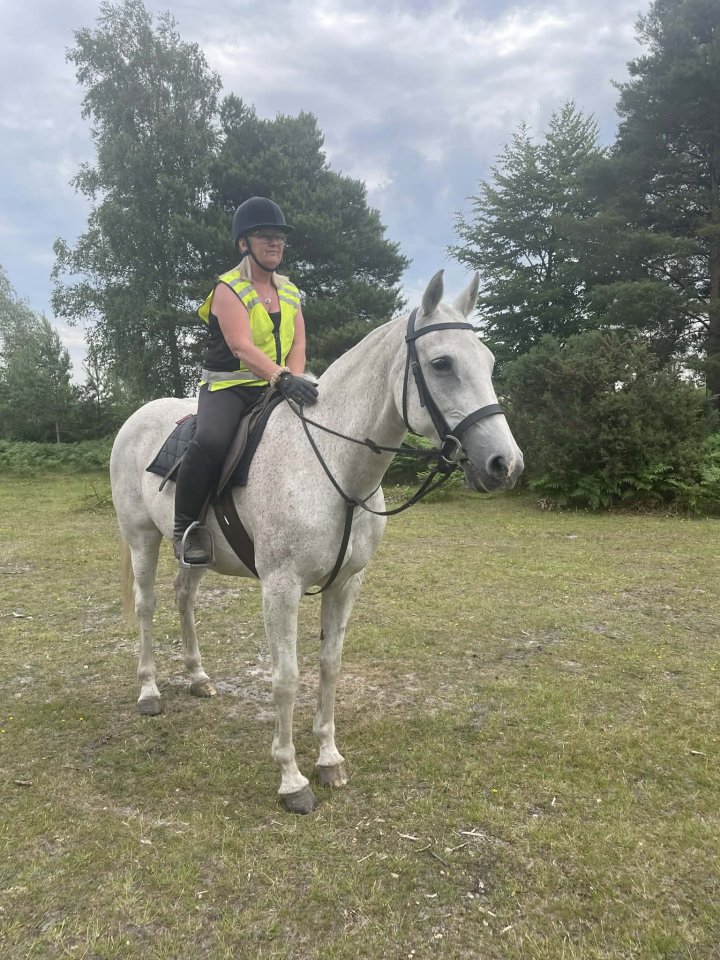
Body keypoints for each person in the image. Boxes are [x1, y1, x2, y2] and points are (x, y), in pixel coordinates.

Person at [173, 196, 318, 565]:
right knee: (211, 440)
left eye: (280, 238)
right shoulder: (228, 288)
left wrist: (294, 378)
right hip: (228, 387)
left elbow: (298, 343)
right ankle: (185, 528)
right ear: (244, 244)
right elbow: (241, 346)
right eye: (265, 236)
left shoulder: (290, 291)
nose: (275, 243)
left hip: (276, 384)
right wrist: (281, 377)